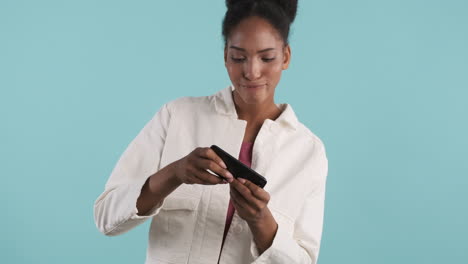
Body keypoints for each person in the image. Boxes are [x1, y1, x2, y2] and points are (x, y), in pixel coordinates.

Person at [93, 0, 328, 263]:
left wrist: (261, 221)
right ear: (225, 55)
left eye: (267, 57)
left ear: (285, 56)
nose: (251, 72)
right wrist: (173, 173)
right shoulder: (177, 116)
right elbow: (106, 217)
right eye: (239, 57)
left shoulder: (308, 151)